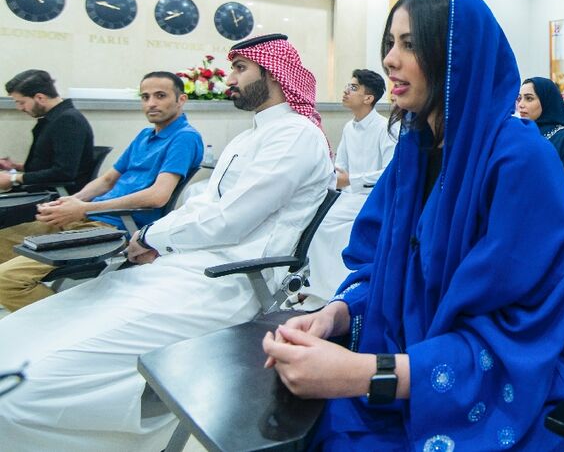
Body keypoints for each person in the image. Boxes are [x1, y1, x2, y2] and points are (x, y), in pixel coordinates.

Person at [261, 0, 564, 450]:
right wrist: (337, 315)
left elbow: (523, 327)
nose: (390, 59)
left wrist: (365, 373)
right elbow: (385, 270)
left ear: (458, 58)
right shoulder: (413, 153)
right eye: (390, 43)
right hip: (416, 359)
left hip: (512, 382)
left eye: (410, 44)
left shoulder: (521, 159)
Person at [0, 34, 334, 451]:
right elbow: (203, 204)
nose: (230, 79)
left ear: (273, 74)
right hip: (187, 265)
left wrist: (151, 235)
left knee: (32, 382)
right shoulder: (251, 136)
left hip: (228, 279)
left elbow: (228, 222)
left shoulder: (295, 135)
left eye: (240, 69)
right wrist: (153, 239)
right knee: (44, 324)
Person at [0, 71, 203, 311]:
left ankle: (69, 327)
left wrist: (85, 208)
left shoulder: (184, 138)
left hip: (114, 226)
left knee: (6, 281)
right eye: (145, 96)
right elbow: (107, 180)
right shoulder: (145, 135)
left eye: (160, 96)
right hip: (89, 217)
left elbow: (158, 196)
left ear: (181, 100)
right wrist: (71, 202)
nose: (151, 103)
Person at [302, 69, 396, 310]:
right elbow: (340, 165)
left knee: (326, 223)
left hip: (371, 197)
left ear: (369, 98)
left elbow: (389, 171)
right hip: (348, 195)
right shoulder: (349, 128)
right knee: (312, 215)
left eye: (354, 88)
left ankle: (332, 292)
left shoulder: (385, 128)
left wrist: (352, 180)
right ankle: (314, 288)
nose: (346, 91)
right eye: (348, 85)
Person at [0, 69, 95, 194]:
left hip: (55, 196)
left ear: (40, 97)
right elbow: (48, 164)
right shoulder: (56, 118)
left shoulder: (68, 121)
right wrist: (16, 166)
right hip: (45, 191)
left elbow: (63, 173)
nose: (20, 108)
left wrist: (14, 178)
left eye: (22, 102)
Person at [517, 77, 564, 208]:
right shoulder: (518, 135)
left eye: (529, 98)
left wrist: (546, 206)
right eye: (519, 98)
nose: (521, 104)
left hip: (547, 212)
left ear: (546, 101)